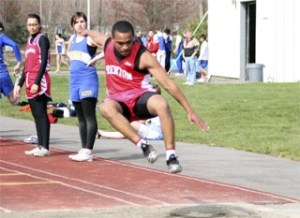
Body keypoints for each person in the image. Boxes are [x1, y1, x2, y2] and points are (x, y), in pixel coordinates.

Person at [82, 20, 209, 173]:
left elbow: (168, 84)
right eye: (120, 43)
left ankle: (171, 156)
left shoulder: (144, 56)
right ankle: (143, 145)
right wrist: (86, 31)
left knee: (161, 104)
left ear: (134, 38)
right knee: (105, 108)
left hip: (140, 98)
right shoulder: (107, 44)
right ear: (113, 40)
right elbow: (97, 36)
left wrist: (190, 111)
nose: (124, 47)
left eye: (129, 42)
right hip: (119, 102)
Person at [14, 13, 52, 157]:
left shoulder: (42, 39)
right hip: (29, 79)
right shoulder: (29, 40)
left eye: (34, 24)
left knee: (41, 113)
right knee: (36, 114)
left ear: (39, 24)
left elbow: (43, 63)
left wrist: (37, 81)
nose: (32, 27)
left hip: (39, 80)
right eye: (29, 25)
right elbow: (26, 66)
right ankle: (40, 145)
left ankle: (45, 147)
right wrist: (19, 84)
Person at [66, 12, 99, 162]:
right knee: (80, 118)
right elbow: (69, 53)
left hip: (88, 80)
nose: (80, 24)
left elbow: (110, 45)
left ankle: (88, 150)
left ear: (86, 23)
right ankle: (83, 148)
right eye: (76, 22)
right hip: (74, 81)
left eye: (82, 21)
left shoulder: (90, 38)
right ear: (72, 25)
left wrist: (96, 58)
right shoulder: (72, 39)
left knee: (89, 116)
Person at [0, 22, 22, 105]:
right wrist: (19, 62)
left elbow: (15, 45)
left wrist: (19, 62)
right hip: (2, 74)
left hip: (1, 73)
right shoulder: (1, 37)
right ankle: (18, 79)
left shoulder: (1, 37)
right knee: (13, 101)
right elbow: (15, 45)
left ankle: (18, 79)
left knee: (13, 101)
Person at [98, 116, 163, 140]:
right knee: (128, 133)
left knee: (131, 123)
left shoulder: (152, 107)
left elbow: (144, 121)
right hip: (155, 133)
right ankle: (101, 133)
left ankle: (101, 133)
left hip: (155, 133)